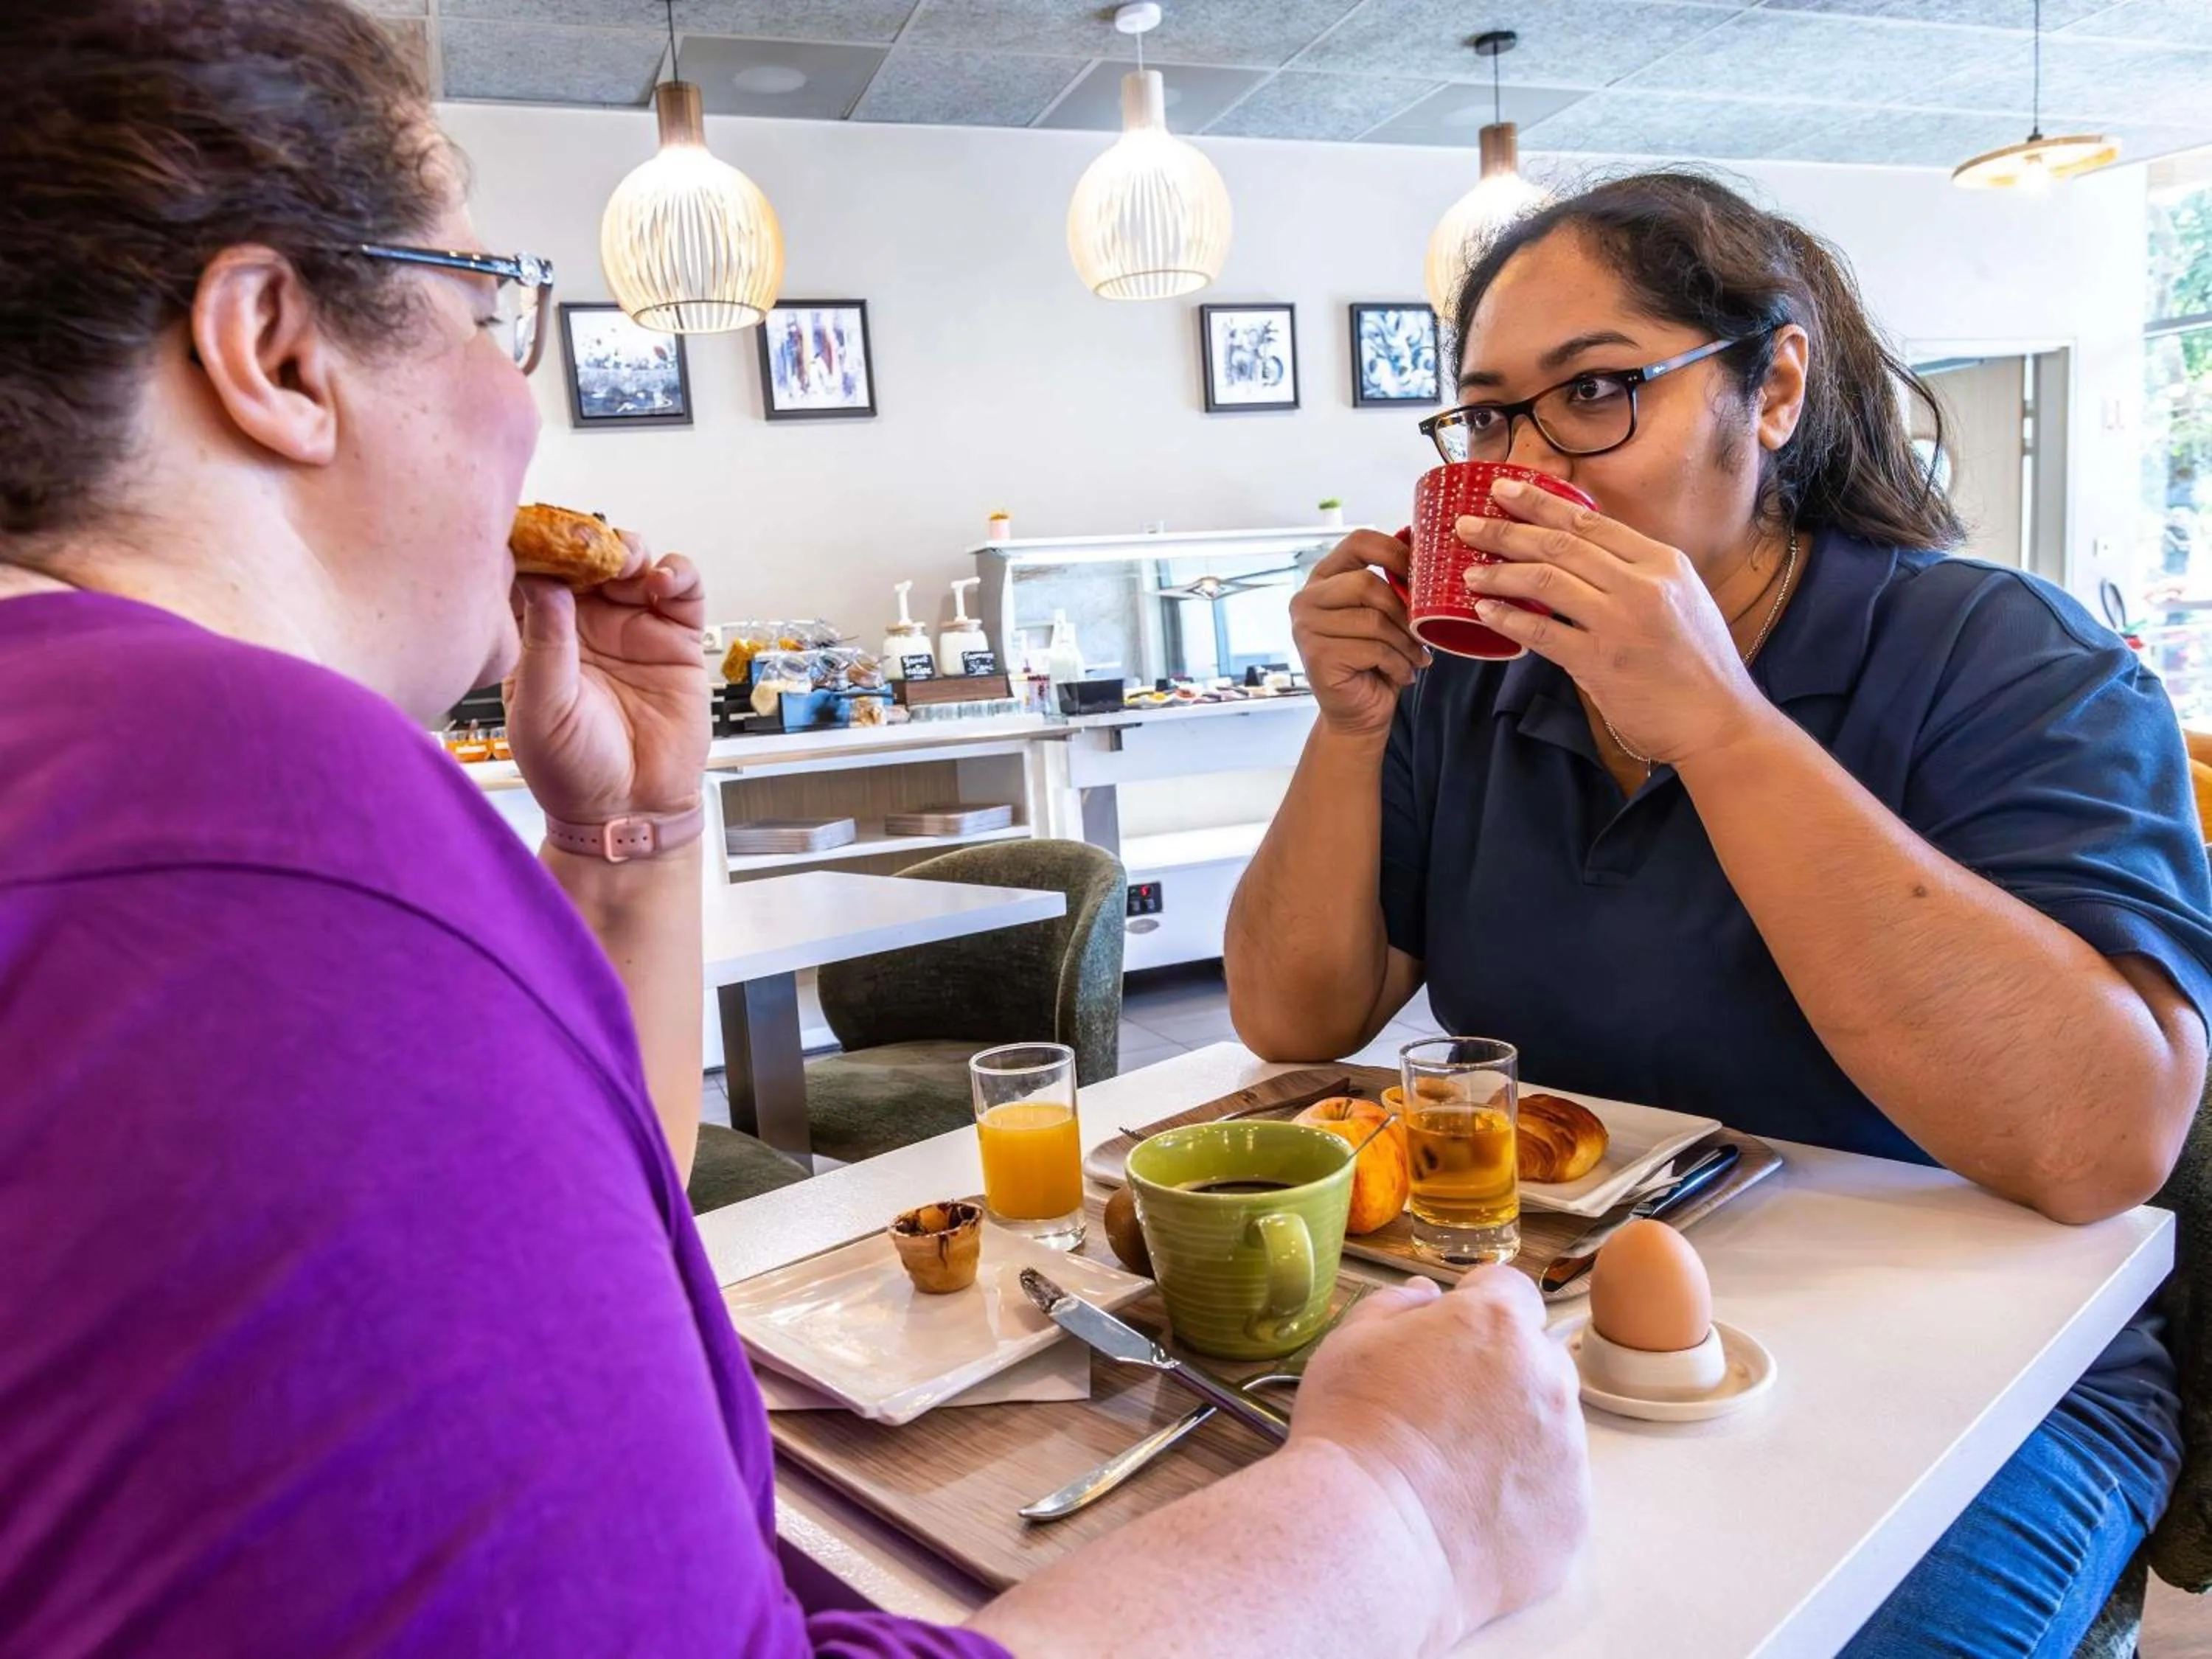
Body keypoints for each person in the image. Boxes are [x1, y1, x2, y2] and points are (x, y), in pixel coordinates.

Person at [0, 4, 1587, 1655]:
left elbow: (588, 1214)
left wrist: (637, 838)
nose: (516, 403)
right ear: (274, 350)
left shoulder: (99, 783)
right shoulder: (260, 812)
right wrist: (1398, 1500)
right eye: (490, 306)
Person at [1227, 171, 2210, 1655]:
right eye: (1490, 415)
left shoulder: (2004, 658)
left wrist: (1721, 724)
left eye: (1597, 391)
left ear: (1775, 389)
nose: (1524, 465)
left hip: (1983, 1374)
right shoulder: (1482, 683)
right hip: (1560, 1328)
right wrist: (1356, 726)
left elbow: (2098, 1144)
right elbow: (1296, 1018)